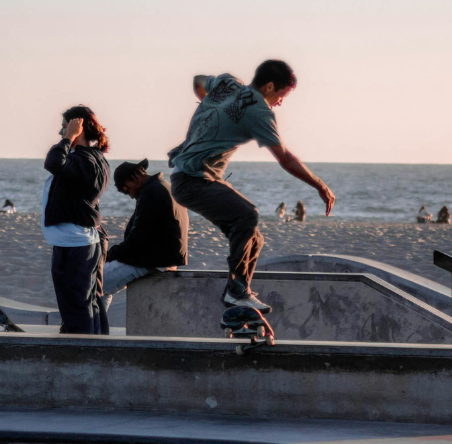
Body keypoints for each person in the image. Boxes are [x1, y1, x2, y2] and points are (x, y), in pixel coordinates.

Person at [166, 60, 334, 313]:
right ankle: (237, 291)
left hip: (188, 178)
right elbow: (285, 158)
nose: (280, 102)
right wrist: (320, 186)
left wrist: (208, 109)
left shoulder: (228, 84)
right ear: (268, 87)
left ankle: (239, 296)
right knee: (248, 214)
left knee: (254, 239)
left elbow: (198, 80)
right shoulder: (259, 111)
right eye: (281, 95)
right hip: (194, 181)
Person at [44, 106, 111, 334]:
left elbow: (53, 162)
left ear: (79, 128)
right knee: (87, 302)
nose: (61, 132)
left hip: (76, 243)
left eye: (65, 127)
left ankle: (82, 354)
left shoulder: (86, 160)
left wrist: (69, 136)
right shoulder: (91, 159)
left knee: (77, 304)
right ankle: (94, 349)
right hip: (76, 241)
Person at [101, 159, 189, 312]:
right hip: (164, 258)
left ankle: (89, 331)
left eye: (126, 190)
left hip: (153, 260)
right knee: (103, 289)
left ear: (134, 179)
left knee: (91, 283)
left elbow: (137, 239)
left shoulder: (151, 192)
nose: (129, 195)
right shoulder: (164, 186)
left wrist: (107, 256)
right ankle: (96, 331)